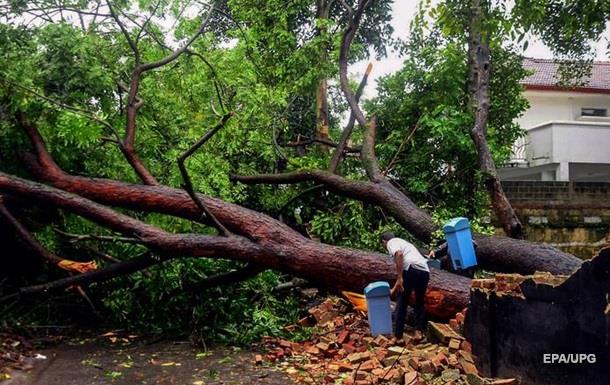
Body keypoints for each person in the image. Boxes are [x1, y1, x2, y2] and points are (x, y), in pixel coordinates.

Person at [381, 232, 430, 342]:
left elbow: (399, 254)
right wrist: (393, 289)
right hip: (424, 271)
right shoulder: (405, 243)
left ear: (384, 242)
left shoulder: (392, 242)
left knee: (402, 301)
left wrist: (399, 278)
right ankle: (418, 332)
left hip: (411, 269)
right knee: (419, 301)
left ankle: (398, 336)